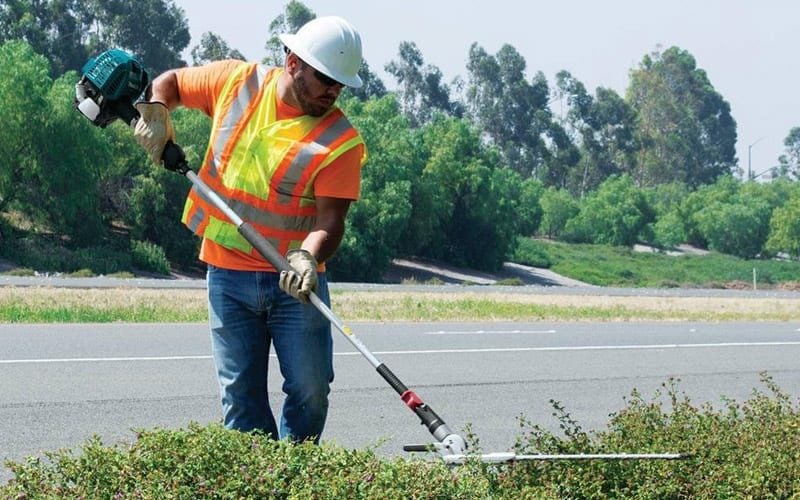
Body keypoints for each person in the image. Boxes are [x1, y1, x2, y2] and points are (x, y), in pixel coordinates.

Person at [133, 16, 367, 443]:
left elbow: (330, 223)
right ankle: (255, 481)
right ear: (293, 62)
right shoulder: (235, 82)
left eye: (340, 84)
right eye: (325, 78)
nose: (333, 91)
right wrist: (157, 113)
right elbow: (170, 83)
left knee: (310, 392)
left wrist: (309, 256)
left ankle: (296, 476)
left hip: (294, 282)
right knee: (241, 398)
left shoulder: (341, 140)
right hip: (226, 276)